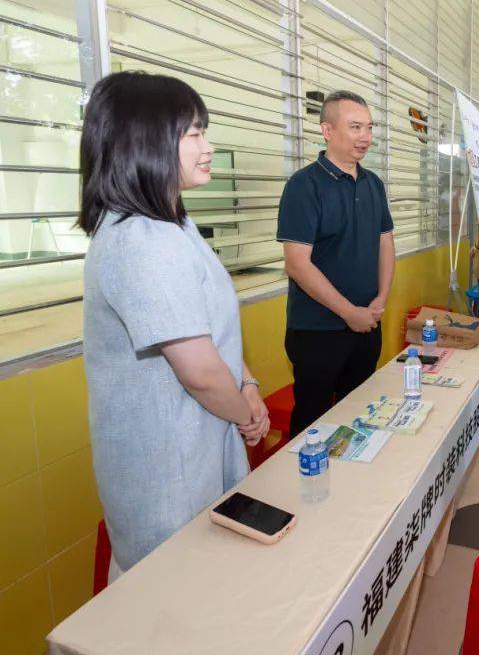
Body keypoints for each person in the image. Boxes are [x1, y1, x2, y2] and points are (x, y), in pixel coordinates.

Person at [79, 71, 268, 577]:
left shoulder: (172, 224)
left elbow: (207, 328)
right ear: (146, 142)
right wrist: (247, 413)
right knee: (170, 603)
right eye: (193, 134)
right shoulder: (140, 240)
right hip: (168, 472)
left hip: (201, 442)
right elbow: (201, 372)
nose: (208, 146)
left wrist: (247, 383)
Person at [278, 91, 395, 438]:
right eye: (356, 127)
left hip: (367, 325)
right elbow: (297, 264)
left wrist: (380, 300)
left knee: (360, 418)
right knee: (313, 426)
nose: (366, 137)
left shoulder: (373, 183)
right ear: (327, 130)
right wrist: (349, 312)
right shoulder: (304, 186)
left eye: (369, 128)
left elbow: (385, 243)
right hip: (317, 332)